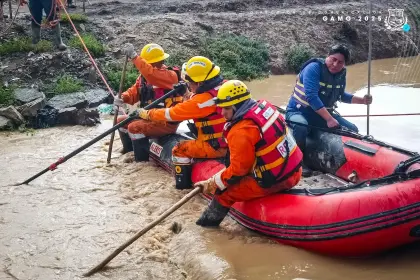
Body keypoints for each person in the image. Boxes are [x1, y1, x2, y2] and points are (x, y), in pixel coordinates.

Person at [193, 80, 303, 227]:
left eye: (226, 108)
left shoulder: (241, 131)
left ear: (236, 107)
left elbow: (239, 170)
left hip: (277, 180)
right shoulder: (265, 107)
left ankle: (207, 227)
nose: (222, 112)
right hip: (294, 170)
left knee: (224, 193)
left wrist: (212, 183)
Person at [133, 56, 228, 189]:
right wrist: (186, 93)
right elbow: (200, 102)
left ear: (199, 83)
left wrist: (147, 114)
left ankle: (182, 187)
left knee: (179, 149)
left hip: (216, 146)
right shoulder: (225, 87)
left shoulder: (201, 101)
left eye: (190, 82)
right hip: (230, 143)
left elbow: (171, 113)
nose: (188, 84)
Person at [285, 44, 373, 177]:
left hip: (322, 115)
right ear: (328, 56)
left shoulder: (341, 74)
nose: (336, 64)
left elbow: (341, 95)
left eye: (340, 62)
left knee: (352, 130)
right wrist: (329, 119)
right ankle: (299, 161)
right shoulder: (313, 68)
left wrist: (362, 100)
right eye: (333, 59)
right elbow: (312, 97)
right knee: (301, 126)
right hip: (299, 112)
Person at [115, 43, 184, 162]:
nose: (160, 63)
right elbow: (134, 92)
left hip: (165, 122)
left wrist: (134, 57)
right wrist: (123, 97)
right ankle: (129, 151)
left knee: (134, 127)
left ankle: (141, 162)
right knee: (120, 121)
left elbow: (152, 75)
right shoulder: (143, 77)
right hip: (148, 117)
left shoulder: (171, 75)